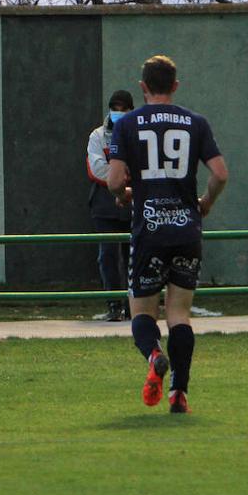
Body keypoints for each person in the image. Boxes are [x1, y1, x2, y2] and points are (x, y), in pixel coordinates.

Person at [107, 55, 229, 414]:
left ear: (143, 87)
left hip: (149, 231)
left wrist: (122, 196)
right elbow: (220, 173)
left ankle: (154, 355)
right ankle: (179, 392)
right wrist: (206, 201)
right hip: (187, 230)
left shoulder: (127, 124)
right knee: (179, 314)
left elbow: (114, 180)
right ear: (175, 86)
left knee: (142, 313)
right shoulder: (196, 123)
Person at [87, 90, 135, 322]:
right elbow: (95, 168)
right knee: (107, 255)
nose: (119, 113)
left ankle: (132, 304)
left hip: (133, 201)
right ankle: (113, 304)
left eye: (124, 108)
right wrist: (120, 177)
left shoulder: (138, 133)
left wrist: (122, 179)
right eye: (115, 108)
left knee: (133, 255)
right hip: (104, 204)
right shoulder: (97, 136)